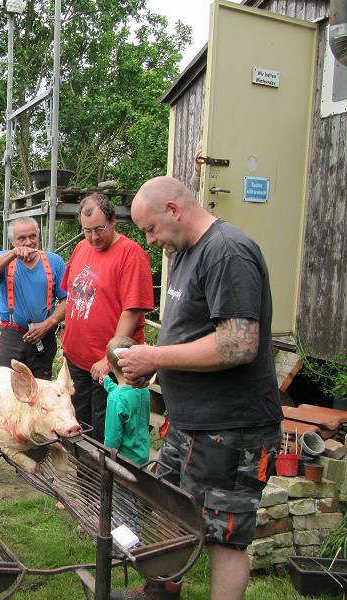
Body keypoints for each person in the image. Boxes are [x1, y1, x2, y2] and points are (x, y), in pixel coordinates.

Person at [116, 176, 283, 600]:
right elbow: (191, 336)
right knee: (169, 509)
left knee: (224, 533)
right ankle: (160, 592)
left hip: (232, 427)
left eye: (150, 228)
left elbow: (238, 344)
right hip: (192, 424)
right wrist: (151, 369)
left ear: (173, 209)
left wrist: (153, 357)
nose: (150, 241)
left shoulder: (227, 252)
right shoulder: (187, 253)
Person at [0, 217, 67, 482]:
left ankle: (31, 459)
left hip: (43, 338)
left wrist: (49, 324)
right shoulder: (2, 258)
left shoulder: (54, 262)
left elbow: (65, 300)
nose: (28, 243)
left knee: (39, 398)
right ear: (13, 240)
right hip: (12, 336)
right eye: (21, 239)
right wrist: (13, 253)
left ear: (39, 236)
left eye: (31, 237)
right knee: (1, 396)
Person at [61, 193, 153, 443]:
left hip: (109, 366)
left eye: (99, 229)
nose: (93, 237)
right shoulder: (81, 248)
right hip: (77, 359)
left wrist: (108, 359)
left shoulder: (130, 254)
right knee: (77, 424)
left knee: (105, 432)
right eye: (86, 230)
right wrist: (67, 344)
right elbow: (73, 297)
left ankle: (104, 481)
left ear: (113, 221)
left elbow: (132, 311)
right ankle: (81, 478)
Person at [102, 336, 149, 466]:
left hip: (123, 462)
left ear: (109, 366)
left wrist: (107, 460)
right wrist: (107, 382)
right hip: (141, 456)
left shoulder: (115, 399)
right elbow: (125, 394)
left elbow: (112, 439)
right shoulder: (143, 388)